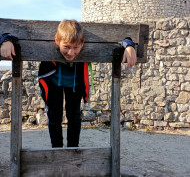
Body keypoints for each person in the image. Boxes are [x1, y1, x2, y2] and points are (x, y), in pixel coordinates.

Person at [0, 20, 137, 148]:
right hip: (52, 83)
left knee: (74, 118)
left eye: (76, 47)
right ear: (56, 41)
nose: (71, 52)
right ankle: (57, 149)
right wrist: (6, 40)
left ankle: (72, 150)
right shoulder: (53, 46)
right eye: (66, 47)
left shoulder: (80, 47)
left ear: (83, 44)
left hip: (75, 84)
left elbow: (125, 38)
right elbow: (9, 32)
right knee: (54, 117)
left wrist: (129, 45)